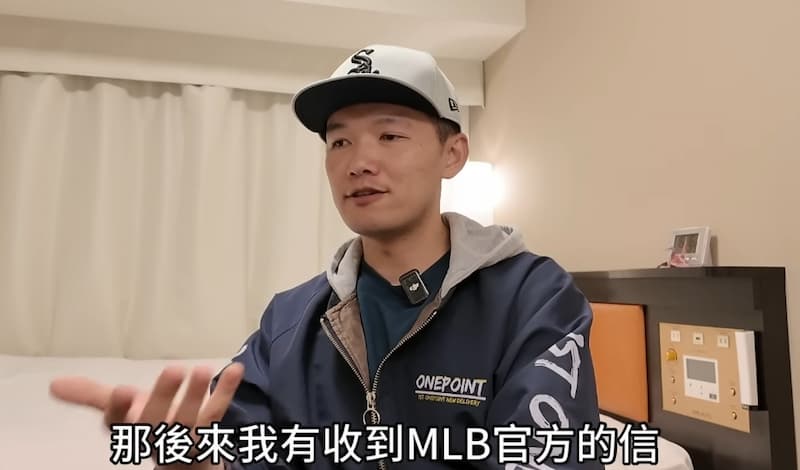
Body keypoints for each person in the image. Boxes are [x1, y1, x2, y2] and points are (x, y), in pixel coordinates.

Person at [50, 44, 603, 469]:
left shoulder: (532, 297)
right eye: (339, 142)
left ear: (452, 154)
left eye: (389, 136)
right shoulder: (289, 320)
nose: (358, 162)